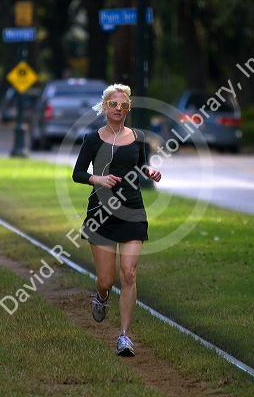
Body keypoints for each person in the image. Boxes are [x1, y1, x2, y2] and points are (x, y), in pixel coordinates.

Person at [72, 83, 161, 356]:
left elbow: (140, 164)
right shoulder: (92, 139)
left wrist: (150, 172)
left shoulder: (138, 136)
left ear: (128, 109)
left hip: (132, 210)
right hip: (101, 213)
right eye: (114, 104)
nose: (119, 109)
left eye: (124, 105)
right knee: (106, 280)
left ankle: (124, 336)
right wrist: (97, 178)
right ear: (105, 107)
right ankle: (101, 296)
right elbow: (77, 173)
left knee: (129, 274)